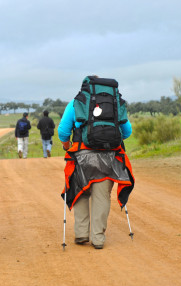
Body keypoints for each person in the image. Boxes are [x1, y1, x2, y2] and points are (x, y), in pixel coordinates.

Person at [58, 75, 135, 250]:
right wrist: (109, 139)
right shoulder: (115, 102)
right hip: (108, 157)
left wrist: (67, 145)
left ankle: (81, 234)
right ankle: (98, 238)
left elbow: (63, 130)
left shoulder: (77, 102)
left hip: (82, 155)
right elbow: (127, 131)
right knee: (101, 196)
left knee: (81, 191)